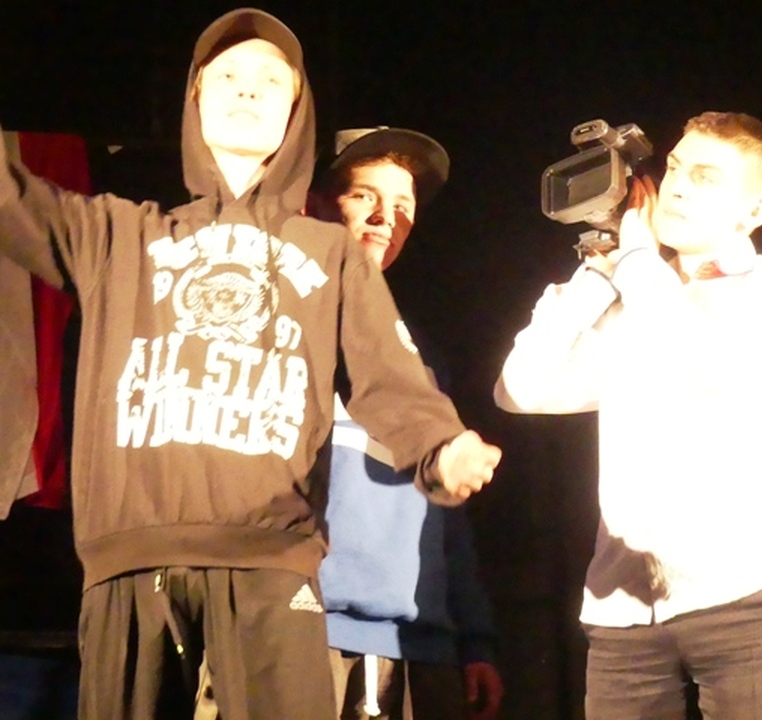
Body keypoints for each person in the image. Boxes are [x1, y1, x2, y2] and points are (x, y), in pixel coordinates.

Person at [0, 8, 501, 720]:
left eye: (271, 81)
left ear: (296, 111)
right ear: (195, 99)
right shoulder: (116, 234)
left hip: (271, 562)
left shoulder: (330, 255)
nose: (247, 89)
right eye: (228, 76)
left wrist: (440, 447)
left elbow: (387, 373)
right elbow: (13, 198)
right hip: (129, 561)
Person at [494, 111, 762, 719]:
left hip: (746, 597)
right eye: (674, 168)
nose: (675, 188)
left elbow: (696, 358)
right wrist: (598, 272)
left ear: (754, 211)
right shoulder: (632, 296)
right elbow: (520, 388)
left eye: (704, 177)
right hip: (622, 613)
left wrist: (637, 260)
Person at [308, 127, 504, 720]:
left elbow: (446, 511)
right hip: (301, 633)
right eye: (364, 195)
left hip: (421, 647)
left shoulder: (418, 353)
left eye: (403, 205)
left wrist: (474, 639)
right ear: (317, 204)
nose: (385, 218)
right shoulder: (278, 326)